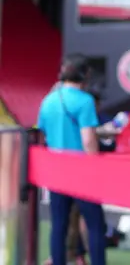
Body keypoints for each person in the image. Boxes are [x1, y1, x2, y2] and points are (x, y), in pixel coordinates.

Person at [36, 54, 106, 265]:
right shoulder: (85, 101)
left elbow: (42, 137)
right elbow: (88, 140)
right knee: (95, 224)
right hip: (81, 169)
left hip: (56, 169)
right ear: (85, 75)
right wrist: (96, 166)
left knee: (59, 225)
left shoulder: (47, 101)